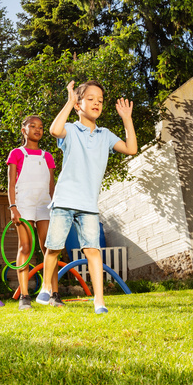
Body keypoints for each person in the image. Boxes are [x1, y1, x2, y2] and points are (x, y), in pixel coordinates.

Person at [34, 80, 137, 314]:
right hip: (65, 199)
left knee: (93, 250)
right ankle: (46, 287)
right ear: (79, 104)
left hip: (89, 204)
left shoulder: (106, 135)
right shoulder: (70, 129)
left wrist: (127, 119)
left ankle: (99, 301)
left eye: (100, 100)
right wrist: (69, 102)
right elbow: (53, 130)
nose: (96, 103)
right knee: (53, 246)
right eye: (90, 99)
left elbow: (131, 149)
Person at [6, 115, 57, 311]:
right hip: (24, 204)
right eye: (32, 126)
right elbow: (11, 184)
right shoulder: (16, 153)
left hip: (45, 204)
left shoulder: (48, 156)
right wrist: (13, 207)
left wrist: (56, 207)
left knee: (49, 249)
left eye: (41, 127)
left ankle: (54, 294)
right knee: (25, 248)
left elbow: (51, 185)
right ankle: (24, 297)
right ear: (23, 130)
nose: (38, 129)